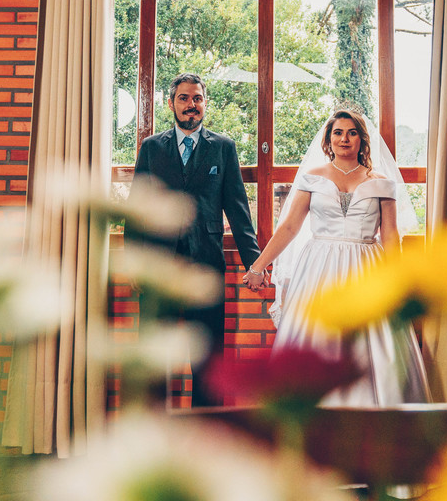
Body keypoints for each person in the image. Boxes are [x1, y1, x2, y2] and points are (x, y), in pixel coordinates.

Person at [242, 108, 431, 405]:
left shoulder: (381, 182)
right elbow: (290, 227)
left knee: (368, 340)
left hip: (367, 266)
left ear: (362, 140)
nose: (345, 138)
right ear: (328, 140)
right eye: (338, 132)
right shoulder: (311, 179)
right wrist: (258, 266)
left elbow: (390, 235)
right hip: (319, 268)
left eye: (352, 132)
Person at [131, 72, 262, 406]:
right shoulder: (151, 148)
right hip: (159, 267)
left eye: (197, 98)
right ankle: (156, 436)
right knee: (155, 357)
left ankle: (208, 435)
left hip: (206, 264)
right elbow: (137, 207)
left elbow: (238, 208)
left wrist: (256, 263)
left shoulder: (223, 147)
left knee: (207, 356)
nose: (191, 105)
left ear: (205, 103)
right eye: (184, 98)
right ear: (171, 103)